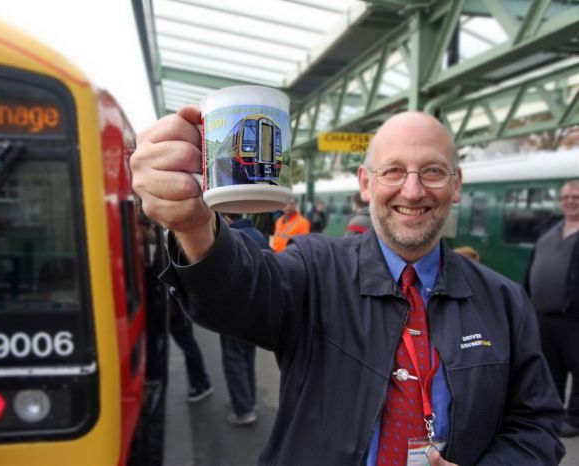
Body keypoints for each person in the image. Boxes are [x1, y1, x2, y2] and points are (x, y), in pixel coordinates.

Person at [130, 108, 564, 465]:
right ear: (365, 183)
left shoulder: (505, 301)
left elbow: (536, 424)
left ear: (456, 185)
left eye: (432, 171)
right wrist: (194, 225)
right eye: (393, 171)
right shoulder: (316, 269)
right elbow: (239, 294)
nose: (412, 191)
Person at [525, 179, 579, 437]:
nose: (571, 200)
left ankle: (576, 418)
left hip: (574, 316)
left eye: (576, 196)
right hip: (543, 313)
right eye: (567, 196)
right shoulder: (551, 226)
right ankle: (554, 411)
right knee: (550, 366)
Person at [220, 213, 270, 426]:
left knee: (233, 358)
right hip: (256, 309)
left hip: (233, 310)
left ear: (227, 219)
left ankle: (244, 408)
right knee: (247, 355)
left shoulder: (228, 238)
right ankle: (247, 399)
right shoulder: (257, 234)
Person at [169, 291, 213, 403]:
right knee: (189, 345)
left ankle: (201, 384)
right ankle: (200, 382)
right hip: (179, 307)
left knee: (189, 346)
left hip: (177, 310)